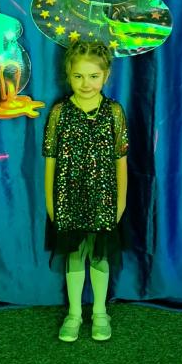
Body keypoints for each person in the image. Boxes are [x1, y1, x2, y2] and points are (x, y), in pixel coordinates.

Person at [42, 40, 128, 342]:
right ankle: (75, 313)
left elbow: (121, 160)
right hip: (68, 198)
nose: (86, 83)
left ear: (106, 76)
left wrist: (120, 202)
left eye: (93, 76)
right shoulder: (59, 112)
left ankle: (100, 312)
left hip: (104, 198)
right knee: (75, 254)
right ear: (68, 74)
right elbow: (50, 161)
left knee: (100, 255)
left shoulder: (114, 112)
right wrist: (51, 202)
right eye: (78, 76)